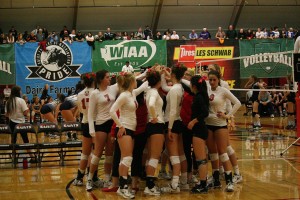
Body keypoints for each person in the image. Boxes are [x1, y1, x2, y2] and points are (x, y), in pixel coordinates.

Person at [109, 73, 148, 199]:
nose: (136, 81)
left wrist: (152, 72)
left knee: (127, 159)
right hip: (124, 129)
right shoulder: (124, 95)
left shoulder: (132, 93)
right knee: (126, 158)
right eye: (134, 80)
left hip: (131, 129)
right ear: (131, 82)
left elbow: (145, 85)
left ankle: (122, 187)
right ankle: (123, 187)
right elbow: (112, 111)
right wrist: (120, 126)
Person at [205, 70, 241, 192]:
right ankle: (216, 180)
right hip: (208, 125)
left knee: (222, 152)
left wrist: (228, 116)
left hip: (220, 125)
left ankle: (229, 180)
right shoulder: (207, 88)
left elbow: (238, 103)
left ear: (218, 79)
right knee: (212, 154)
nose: (212, 82)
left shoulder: (223, 90)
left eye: (214, 79)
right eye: (210, 79)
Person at [86, 70, 119, 191]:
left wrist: (147, 73)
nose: (109, 79)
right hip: (101, 124)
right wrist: (91, 131)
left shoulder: (113, 88)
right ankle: (89, 179)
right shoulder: (94, 93)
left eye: (109, 77)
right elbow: (90, 114)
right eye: (106, 77)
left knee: (110, 154)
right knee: (98, 153)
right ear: (100, 79)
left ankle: (106, 179)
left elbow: (129, 80)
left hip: (112, 124)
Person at [160, 65, 188, 193]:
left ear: (173, 75)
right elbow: (165, 87)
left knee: (174, 155)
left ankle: (174, 185)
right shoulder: (180, 88)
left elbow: (171, 112)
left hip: (171, 122)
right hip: (179, 121)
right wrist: (163, 74)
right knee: (181, 154)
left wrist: (169, 129)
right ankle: (184, 182)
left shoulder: (174, 90)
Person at [73, 72, 96, 186]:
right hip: (95, 124)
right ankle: (93, 178)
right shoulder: (96, 93)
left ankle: (79, 178)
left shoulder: (80, 94)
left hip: (85, 122)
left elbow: (80, 110)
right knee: (95, 153)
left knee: (85, 153)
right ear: (93, 82)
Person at [144, 70, 165, 196]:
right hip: (156, 125)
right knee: (154, 157)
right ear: (159, 81)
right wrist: (154, 117)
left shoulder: (150, 91)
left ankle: (149, 182)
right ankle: (150, 186)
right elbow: (151, 105)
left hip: (151, 126)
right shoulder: (154, 93)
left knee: (151, 156)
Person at [188, 75, 209, 193]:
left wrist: (193, 121)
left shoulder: (199, 97)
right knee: (201, 158)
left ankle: (203, 184)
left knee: (201, 159)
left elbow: (205, 113)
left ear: (194, 86)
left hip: (199, 130)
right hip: (200, 129)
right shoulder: (200, 95)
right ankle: (203, 182)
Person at [5, 86, 36, 162]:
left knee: (13, 141)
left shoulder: (8, 101)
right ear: (18, 92)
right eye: (20, 91)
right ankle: (32, 157)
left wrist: (13, 115)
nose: (21, 92)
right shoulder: (21, 100)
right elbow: (25, 113)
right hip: (21, 124)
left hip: (12, 123)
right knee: (26, 141)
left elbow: (6, 114)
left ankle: (14, 158)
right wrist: (27, 108)